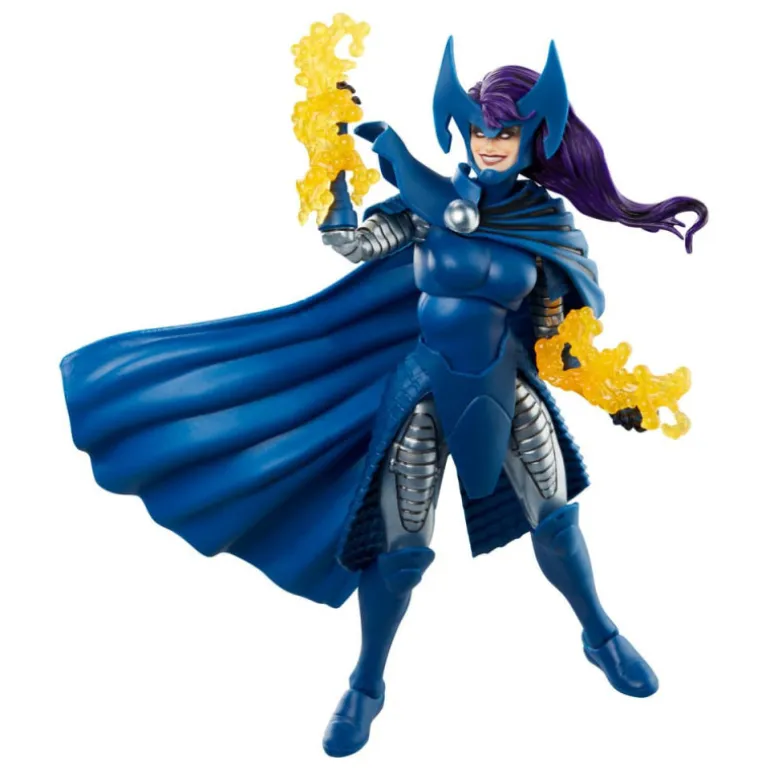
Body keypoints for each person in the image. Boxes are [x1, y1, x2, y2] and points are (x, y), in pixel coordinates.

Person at [60, 37, 707, 759]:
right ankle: (367, 684)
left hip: (505, 383)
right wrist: (332, 172)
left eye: (507, 131)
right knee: (400, 552)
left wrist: (615, 393)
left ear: (535, 137)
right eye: (481, 129)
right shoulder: (429, 205)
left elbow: (560, 334)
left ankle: (600, 635)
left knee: (555, 522)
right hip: (423, 385)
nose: (491, 144)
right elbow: (359, 244)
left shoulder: (545, 225)